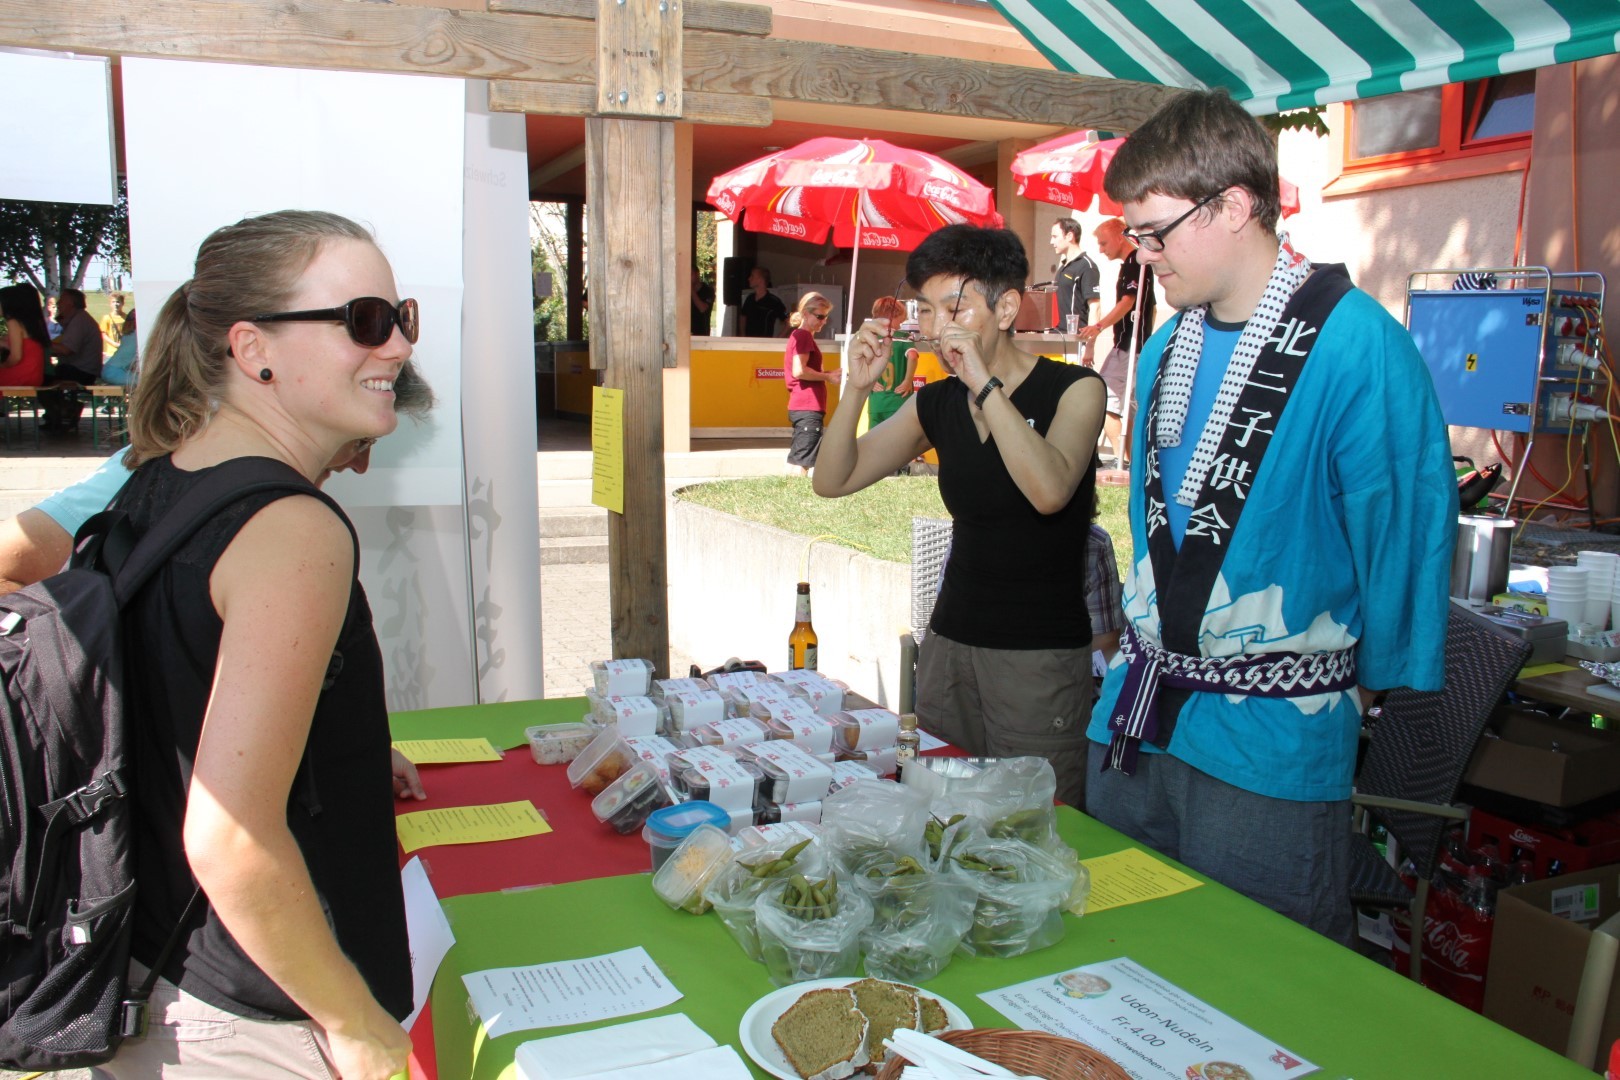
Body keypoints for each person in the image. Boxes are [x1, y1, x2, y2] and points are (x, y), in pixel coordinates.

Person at [1085, 89, 1456, 946]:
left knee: (1255, 972)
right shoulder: (1170, 345)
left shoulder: (1359, 347)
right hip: (1138, 717)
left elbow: (1401, 535)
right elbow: (1152, 524)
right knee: (1123, 954)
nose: (1143, 256)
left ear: (1234, 205)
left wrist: (1352, 689)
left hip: (1271, 738)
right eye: (1136, 235)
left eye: (1156, 232)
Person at [90, 209, 423, 1079]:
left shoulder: (161, 476)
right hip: (246, 1023)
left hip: (156, 972)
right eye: (364, 320)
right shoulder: (291, 528)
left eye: (401, 317)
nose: (396, 347)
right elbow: (229, 835)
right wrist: (355, 1022)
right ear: (252, 349)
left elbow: (177, 702)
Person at [814, 225, 1107, 808]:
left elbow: (1049, 491)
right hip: (950, 646)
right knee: (940, 813)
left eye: (953, 308)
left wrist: (983, 383)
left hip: (1038, 657)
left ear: (1006, 309)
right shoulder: (937, 402)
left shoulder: (1074, 388)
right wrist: (856, 389)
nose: (934, 327)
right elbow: (833, 480)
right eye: (925, 310)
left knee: (1031, 823)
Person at [1080, 218, 1157, 467]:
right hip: (1133, 344)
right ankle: (1129, 461)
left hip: (1128, 345)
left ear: (1118, 237)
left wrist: (1098, 327)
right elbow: (1151, 306)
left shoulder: (1135, 262)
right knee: (1128, 406)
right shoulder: (1136, 263)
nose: (1101, 249)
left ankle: (1120, 460)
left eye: (1103, 243)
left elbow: (1128, 301)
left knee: (1103, 398)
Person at [783, 292, 836, 476]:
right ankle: (794, 491)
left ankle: (787, 488)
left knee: (798, 457)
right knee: (802, 462)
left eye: (826, 317)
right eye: (820, 316)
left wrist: (828, 374)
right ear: (806, 313)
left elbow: (803, 370)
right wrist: (828, 377)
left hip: (803, 405)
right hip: (808, 404)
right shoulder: (803, 336)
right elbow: (800, 371)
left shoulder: (800, 335)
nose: (824, 321)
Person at [41, 286, 103, 430]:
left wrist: (41, 344)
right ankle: (61, 411)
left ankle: (64, 410)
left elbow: (66, 349)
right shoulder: (77, 319)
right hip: (82, 368)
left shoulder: (79, 320)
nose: (58, 304)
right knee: (46, 377)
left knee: (42, 378)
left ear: (71, 303)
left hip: (81, 371)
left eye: (61, 300)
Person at [865, 295, 918, 430]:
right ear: (893, 316)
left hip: (877, 402)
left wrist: (871, 382)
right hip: (899, 401)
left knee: (874, 438)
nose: (901, 323)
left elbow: (863, 361)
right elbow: (912, 356)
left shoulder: (871, 338)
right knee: (900, 438)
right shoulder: (904, 338)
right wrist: (907, 381)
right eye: (900, 320)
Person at [1049, 218, 1099, 334]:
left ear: (1069, 236)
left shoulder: (1087, 266)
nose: (1051, 242)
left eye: (1055, 236)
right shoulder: (1063, 266)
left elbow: (1095, 306)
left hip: (1075, 336)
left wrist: (1090, 339)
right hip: (1058, 334)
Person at [0, 282, 50, 387]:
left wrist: (3, 365)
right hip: (34, 375)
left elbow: (16, 357)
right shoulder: (31, 322)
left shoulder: (13, 322)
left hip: (21, 374)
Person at [738, 265, 788, 337]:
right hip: (749, 341)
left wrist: (778, 339)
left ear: (760, 279)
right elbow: (743, 317)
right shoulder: (749, 299)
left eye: (752, 276)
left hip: (764, 342)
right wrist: (743, 335)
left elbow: (788, 321)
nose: (749, 279)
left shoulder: (774, 301)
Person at [100, 306, 139, 386]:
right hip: (116, 372)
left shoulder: (129, 334)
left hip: (111, 370)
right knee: (148, 382)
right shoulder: (136, 335)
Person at [690, 264, 715, 336]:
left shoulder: (708, 290)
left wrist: (691, 289)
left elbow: (702, 308)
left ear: (697, 274)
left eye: (690, 274)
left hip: (702, 333)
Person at [101, 291, 128, 357]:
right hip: (111, 352)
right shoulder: (107, 318)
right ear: (110, 304)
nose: (116, 304)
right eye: (113, 302)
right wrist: (114, 344)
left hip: (125, 351)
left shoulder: (127, 318)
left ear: (122, 303)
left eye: (118, 302)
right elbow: (103, 334)